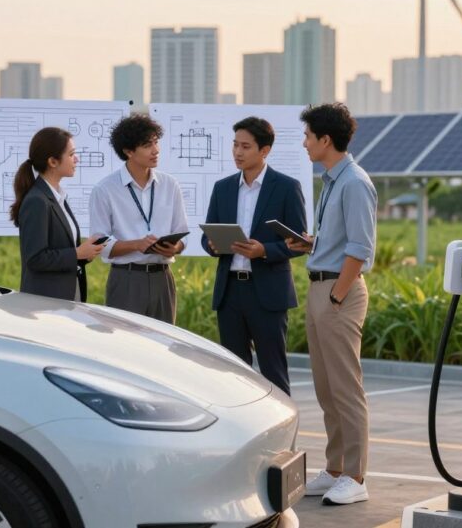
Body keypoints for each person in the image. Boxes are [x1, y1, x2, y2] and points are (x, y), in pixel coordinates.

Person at [286, 103, 377, 506]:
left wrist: (338, 294)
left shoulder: (354, 183)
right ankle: (336, 468)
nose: (304, 143)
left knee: (345, 389)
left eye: (308, 137)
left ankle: (355, 476)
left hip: (339, 291)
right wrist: (311, 243)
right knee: (327, 388)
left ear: (325, 139)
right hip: (321, 287)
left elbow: (360, 248)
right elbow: (340, 240)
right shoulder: (333, 181)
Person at [201, 116, 306, 395]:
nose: (237, 152)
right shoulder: (222, 188)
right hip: (230, 293)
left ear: (265, 150)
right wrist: (212, 245)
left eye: (245, 146)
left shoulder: (286, 187)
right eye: (235, 145)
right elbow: (207, 237)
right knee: (233, 373)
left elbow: (299, 243)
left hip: (268, 294)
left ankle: (283, 423)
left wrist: (264, 251)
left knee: (273, 370)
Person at [89, 113, 188, 323]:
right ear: (128, 151)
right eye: (147, 145)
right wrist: (136, 245)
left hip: (163, 277)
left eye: (156, 142)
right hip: (126, 279)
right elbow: (99, 243)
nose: (156, 150)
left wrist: (175, 247)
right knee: (124, 341)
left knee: (163, 340)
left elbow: (182, 235)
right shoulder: (105, 189)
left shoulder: (170, 185)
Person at [10, 127, 105, 301]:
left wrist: (85, 253)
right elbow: (36, 258)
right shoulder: (37, 201)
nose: (76, 159)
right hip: (45, 301)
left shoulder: (58, 197)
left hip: (68, 294)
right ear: (53, 162)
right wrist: (77, 253)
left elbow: (61, 250)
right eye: (71, 154)